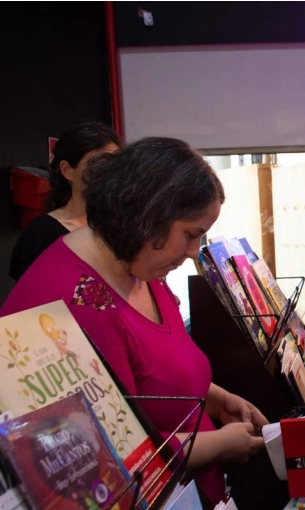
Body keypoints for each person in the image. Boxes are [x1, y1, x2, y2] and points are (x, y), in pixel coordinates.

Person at [0, 137, 267, 505]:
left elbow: (158, 368)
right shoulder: (73, 303)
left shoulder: (138, 264)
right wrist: (221, 444)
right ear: (147, 216)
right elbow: (114, 455)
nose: (194, 253)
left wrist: (216, 399)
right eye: (191, 235)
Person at [9, 121, 121, 281]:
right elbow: (31, 298)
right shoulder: (42, 233)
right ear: (67, 170)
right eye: (98, 164)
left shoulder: (120, 227)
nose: (108, 174)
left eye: (114, 165)